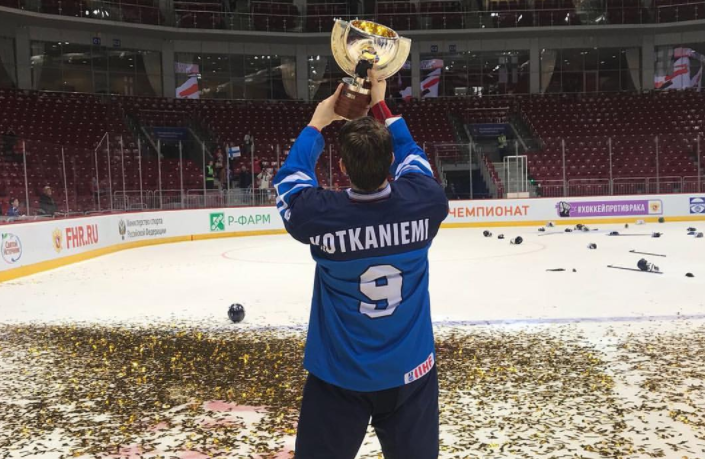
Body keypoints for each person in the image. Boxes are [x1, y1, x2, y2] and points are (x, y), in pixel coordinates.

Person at [273, 70, 448, 459]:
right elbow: (414, 159)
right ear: (389, 162)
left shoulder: (320, 215)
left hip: (338, 378)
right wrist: (382, 106)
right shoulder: (425, 202)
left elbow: (290, 181)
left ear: (342, 169)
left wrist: (318, 122)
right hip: (411, 375)